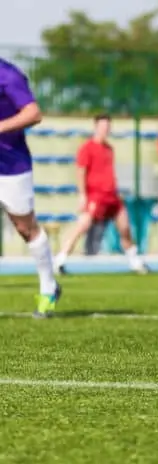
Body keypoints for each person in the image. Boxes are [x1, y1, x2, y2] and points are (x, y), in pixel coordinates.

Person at [0, 58, 60, 318]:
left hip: (11, 164)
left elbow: (33, 113)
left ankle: (49, 286)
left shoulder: (8, 75)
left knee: (26, 228)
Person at [54, 114, 148, 275]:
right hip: (95, 197)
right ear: (96, 127)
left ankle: (135, 261)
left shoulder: (109, 149)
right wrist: (83, 195)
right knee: (81, 227)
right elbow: (80, 172)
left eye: (108, 127)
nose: (105, 130)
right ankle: (60, 260)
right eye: (103, 126)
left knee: (125, 228)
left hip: (112, 196)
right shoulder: (87, 148)